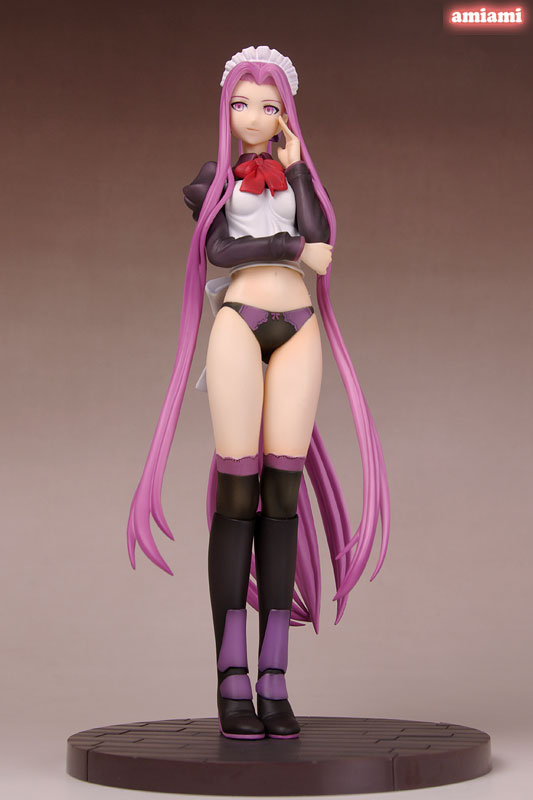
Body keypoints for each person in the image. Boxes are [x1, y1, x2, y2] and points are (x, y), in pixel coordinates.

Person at [127, 46, 390, 741]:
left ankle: (274, 677)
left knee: (283, 496)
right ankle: (230, 679)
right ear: (225, 108)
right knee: (237, 492)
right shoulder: (211, 179)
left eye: (267, 106)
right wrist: (290, 250)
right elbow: (221, 250)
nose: (252, 117)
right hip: (238, 325)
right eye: (240, 104)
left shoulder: (300, 175)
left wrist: (298, 172)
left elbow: (324, 239)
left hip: (299, 328)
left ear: (285, 113)